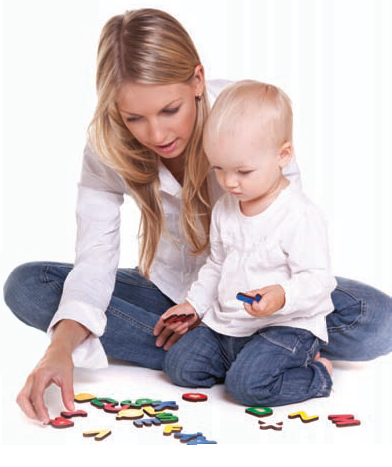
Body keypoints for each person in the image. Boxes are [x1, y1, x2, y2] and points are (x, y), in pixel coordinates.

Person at [3, 8, 391, 423]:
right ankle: (247, 357)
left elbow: (285, 224)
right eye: (134, 117)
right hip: (173, 293)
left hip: (263, 296)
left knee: (378, 322)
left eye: (170, 109)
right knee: (29, 286)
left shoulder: (249, 117)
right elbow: (95, 260)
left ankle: (237, 350)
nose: (157, 135)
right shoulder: (108, 147)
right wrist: (58, 351)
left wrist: (274, 301)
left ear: (197, 80)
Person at [159, 80, 335, 407]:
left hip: (285, 326)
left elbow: (319, 279)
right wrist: (194, 304)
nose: (228, 182)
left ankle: (318, 374)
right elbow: (216, 263)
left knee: (246, 390)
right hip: (229, 324)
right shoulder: (226, 206)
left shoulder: (299, 214)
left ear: (282, 156)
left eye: (243, 171)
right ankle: (248, 366)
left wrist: (281, 296)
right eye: (219, 169)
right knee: (180, 367)